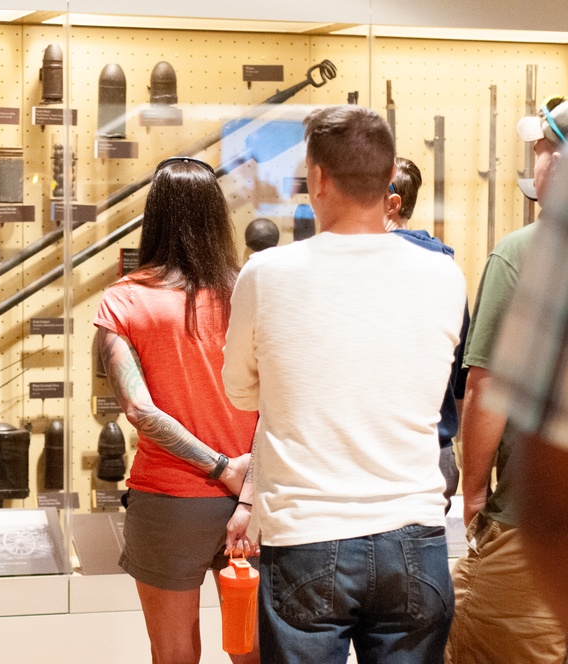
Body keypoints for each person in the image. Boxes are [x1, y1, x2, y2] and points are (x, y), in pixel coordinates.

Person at [222, 106, 465, 663]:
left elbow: (239, 392)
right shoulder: (444, 275)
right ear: (388, 181)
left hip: (306, 533)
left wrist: (299, 387)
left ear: (319, 179)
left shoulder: (266, 274)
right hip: (416, 532)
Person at [94, 156, 258, 664]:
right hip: (255, 498)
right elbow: (285, 396)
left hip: (170, 500)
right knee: (254, 653)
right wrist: (244, 483)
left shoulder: (123, 300)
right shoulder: (249, 293)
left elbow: (139, 411)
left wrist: (218, 468)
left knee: (173, 655)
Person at [445, 94, 568, 664]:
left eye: (541, 148)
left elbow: (489, 386)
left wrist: (472, 496)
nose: (535, 160)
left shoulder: (527, 253)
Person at [385, 156, 470, 513]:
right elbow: (462, 372)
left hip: (386, 459)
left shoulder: (369, 266)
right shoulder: (447, 270)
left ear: (393, 203)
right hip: (436, 453)